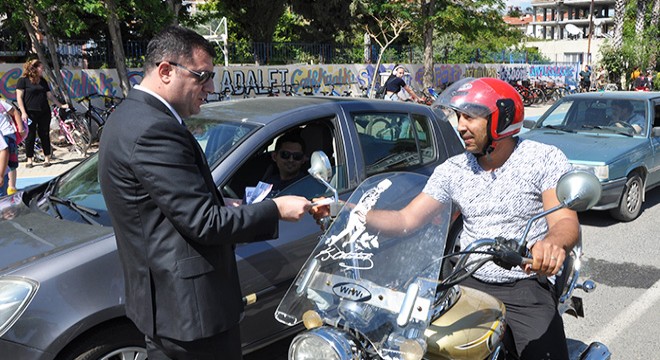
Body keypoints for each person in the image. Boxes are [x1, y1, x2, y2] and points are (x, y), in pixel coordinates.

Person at [311, 77, 578, 359]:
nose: (461, 126)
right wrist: (346, 210)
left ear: (503, 118)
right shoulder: (453, 169)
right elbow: (406, 219)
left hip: (523, 284)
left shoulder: (543, 158)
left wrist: (551, 245)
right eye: (459, 116)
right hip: (465, 279)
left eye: (471, 117)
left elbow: (565, 222)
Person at [97, 26, 311, 360]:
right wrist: (277, 209)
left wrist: (219, 203)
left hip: (169, 307)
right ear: (166, 71)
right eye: (203, 76)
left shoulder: (129, 115)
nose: (211, 88)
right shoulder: (154, 129)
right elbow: (204, 223)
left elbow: (160, 204)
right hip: (190, 313)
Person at [16, 59, 68, 168]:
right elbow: (19, 98)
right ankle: (29, 160)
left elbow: (50, 96)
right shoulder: (23, 81)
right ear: (34, 68)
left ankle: (47, 158)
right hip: (29, 113)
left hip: (44, 112)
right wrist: (23, 112)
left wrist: (60, 105)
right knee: (30, 136)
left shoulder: (43, 81)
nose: (42, 69)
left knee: (44, 134)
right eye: (41, 67)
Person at [0, 97, 25, 195]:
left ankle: (11, 187)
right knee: (9, 163)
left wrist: (21, 128)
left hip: (7, 134)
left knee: (9, 163)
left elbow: (15, 112)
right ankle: (11, 186)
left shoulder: (2, 103)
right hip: (6, 135)